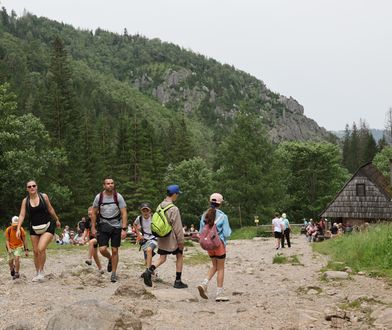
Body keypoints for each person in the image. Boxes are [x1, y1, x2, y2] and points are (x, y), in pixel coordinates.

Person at [141, 184, 187, 289]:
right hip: (172, 238)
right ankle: (178, 281)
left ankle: (149, 271)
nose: (177, 196)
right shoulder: (174, 209)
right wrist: (181, 242)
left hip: (161, 237)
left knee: (162, 258)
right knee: (179, 255)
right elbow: (178, 227)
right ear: (174, 194)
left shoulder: (160, 205)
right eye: (177, 194)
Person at [16, 180, 61, 282]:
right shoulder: (25, 201)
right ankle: (37, 272)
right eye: (29, 186)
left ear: (37, 187)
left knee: (41, 249)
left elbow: (50, 209)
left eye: (33, 186)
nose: (32, 187)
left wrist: (57, 219)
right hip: (34, 228)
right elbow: (22, 215)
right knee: (36, 252)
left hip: (47, 226)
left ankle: (41, 272)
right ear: (27, 189)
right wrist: (18, 228)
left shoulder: (43, 196)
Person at [91, 177, 128, 283]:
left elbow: (124, 213)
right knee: (102, 249)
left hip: (116, 226)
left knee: (115, 249)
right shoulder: (99, 197)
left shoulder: (118, 197)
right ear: (104, 185)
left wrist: (124, 229)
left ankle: (114, 273)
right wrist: (93, 227)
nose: (110, 185)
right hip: (103, 225)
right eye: (108, 183)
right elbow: (93, 213)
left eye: (112, 183)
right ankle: (110, 259)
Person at [197, 193, 232, 302]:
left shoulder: (204, 215)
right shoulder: (223, 216)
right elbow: (226, 234)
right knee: (220, 268)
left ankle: (204, 284)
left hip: (209, 246)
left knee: (214, 266)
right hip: (219, 245)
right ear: (220, 203)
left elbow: (200, 231)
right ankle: (219, 294)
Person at [133, 202, 157, 275]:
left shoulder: (154, 217)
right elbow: (134, 224)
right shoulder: (139, 218)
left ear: (150, 211)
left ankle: (147, 272)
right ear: (141, 211)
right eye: (144, 210)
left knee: (149, 250)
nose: (145, 212)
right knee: (147, 260)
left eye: (147, 210)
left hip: (154, 238)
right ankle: (151, 271)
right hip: (144, 239)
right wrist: (138, 235)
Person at [84, 207, 104, 274]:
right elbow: (86, 230)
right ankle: (100, 268)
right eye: (88, 214)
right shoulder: (87, 221)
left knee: (91, 242)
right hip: (92, 237)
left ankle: (89, 259)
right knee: (95, 254)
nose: (90, 216)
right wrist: (83, 237)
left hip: (100, 236)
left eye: (91, 214)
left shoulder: (99, 219)